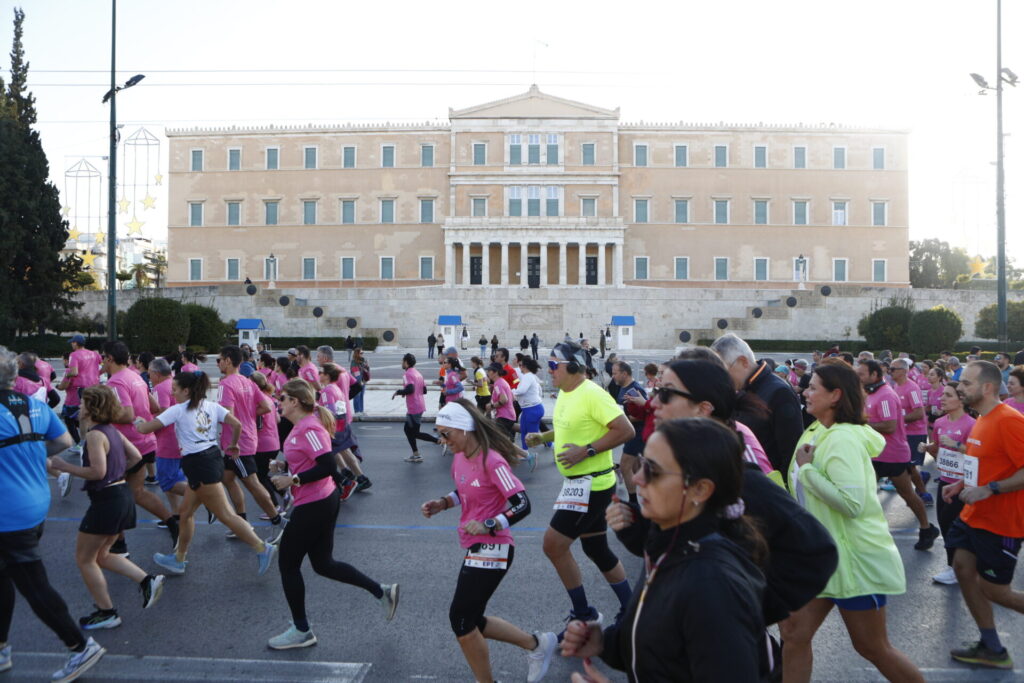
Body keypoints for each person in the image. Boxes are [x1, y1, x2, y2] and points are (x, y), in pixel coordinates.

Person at [562, 418, 768, 683]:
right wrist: (609, 643)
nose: (636, 478)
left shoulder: (712, 583)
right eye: (640, 464)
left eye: (653, 470)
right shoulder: (671, 543)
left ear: (700, 489)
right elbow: (669, 642)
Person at [782, 360, 924, 683]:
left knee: (873, 648)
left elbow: (852, 504)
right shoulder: (820, 429)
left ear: (835, 395)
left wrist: (807, 470)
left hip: (855, 562)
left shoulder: (842, 439)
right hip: (822, 557)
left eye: (813, 387)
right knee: (793, 633)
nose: (805, 391)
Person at [420, 400, 556, 683]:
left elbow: (521, 503)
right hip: (475, 544)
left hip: (495, 546)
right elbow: (465, 488)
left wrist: (490, 524)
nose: (441, 440)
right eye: (439, 433)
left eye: (446, 433)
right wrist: (443, 503)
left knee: (460, 619)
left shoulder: (492, 460)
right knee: (472, 619)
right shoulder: (460, 456)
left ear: (465, 430)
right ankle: (537, 644)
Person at [0, 346, 107, 682]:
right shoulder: (34, 404)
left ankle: (80, 646)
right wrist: (27, 450)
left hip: (8, 513)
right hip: (34, 503)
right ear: (14, 377)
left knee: (33, 586)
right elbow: (63, 442)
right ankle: (2, 647)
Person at [266, 379, 399, 649]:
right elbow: (310, 460)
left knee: (288, 564)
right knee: (323, 564)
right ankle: (381, 591)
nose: (278, 403)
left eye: (282, 399)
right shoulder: (300, 427)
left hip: (315, 503)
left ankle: (302, 630)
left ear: (294, 401)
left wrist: (292, 481)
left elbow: (326, 465)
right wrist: (284, 464)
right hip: (320, 500)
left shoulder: (309, 427)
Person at [524, 341, 635, 633]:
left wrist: (585, 451)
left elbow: (625, 430)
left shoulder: (592, 394)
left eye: (552, 365)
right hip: (579, 484)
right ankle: (632, 608)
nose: (549, 371)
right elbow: (570, 426)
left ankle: (584, 614)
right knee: (597, 548)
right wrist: (545, 436)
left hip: (592, 485)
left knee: (553, 545)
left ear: (572, 367)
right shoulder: (566, 392)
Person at [135, 370, 277, 576]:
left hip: (199, 464)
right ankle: (179, 558)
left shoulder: (178, 410)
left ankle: (262, 548)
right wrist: (234, 444)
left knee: (226, 514)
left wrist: (137, 421)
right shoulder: (211, 406)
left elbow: (145, 429)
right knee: (185, 514)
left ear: (186, 390)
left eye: (175, 389)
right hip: (210, 459)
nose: (172, 393)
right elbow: (236, 423)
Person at [49, 386, 166, 630]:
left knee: (84, 559)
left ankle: (107, 612)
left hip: (107, 501)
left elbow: (97, 472)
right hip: (121, 494)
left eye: (83, 404)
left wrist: (64, 466)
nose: (79, 407)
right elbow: (135, 457)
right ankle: (147, 580)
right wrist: (117, 475)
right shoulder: (112, 431)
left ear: (91, 408)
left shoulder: (95, 435)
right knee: (101, 555)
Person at [942, 361, 1024, 669]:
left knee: (995, 591)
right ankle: (992, 647)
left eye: (965, 383)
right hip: (973, 515)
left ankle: (992, 647)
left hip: (1001, 521)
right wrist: (960, 483)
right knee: (962, 568)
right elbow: (985, 462)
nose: (959, 387)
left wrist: (991, 489)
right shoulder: (983, 418)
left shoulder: (1009, 421)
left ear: (987, 387)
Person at [101, 342, 179, 554]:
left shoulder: (115, 383)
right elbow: (153, 407)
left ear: (109, 358)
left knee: (112, 494)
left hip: (127, 446)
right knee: (137, 493)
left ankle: (119, 544)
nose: (102, 362)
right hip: (145, 441)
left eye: (103, 358)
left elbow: (126, 414)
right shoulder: (136, 376)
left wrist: (100, 415)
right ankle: (172, 522)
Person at [857, 359, 939, 550]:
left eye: (862, 374)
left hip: (891, 454)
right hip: (875, 454)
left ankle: (927, 529)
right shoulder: (871, 393)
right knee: (865, 493)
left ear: (875, 375)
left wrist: (861, 425)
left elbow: (890, 425)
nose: (858, 377)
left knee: (908, 495)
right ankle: (866, 533)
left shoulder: (885, 395)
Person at [711, 333, 804, 479]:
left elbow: (791, 452)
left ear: (743, 362)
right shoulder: (742, 388)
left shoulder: (779, 392)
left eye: (723, 371)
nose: (722, 378)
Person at [216, 345, 285, 539]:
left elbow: (227, 415)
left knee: (253, 483)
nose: (218, 363)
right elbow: (265, 406)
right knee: (227, 478)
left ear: (228, 360)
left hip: (236, 443)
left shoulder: (226, 384)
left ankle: (277, 520)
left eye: (219, 359)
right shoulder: (248, 382)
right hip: (248, 437)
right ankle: (242, 523)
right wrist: (247, 417)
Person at [919, 381, 974, 585]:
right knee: (944, 522)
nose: (942, 398)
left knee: (955, 526)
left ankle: (956, 569)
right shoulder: (940, 423)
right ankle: (957, 566)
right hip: (945, 480)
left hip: (964, 483)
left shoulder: (971, 424)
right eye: (942, 395)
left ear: (961, 401)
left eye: (948, 395)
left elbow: (980, 454)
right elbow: (938, 449)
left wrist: (959, 446)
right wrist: (928, 447)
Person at [317, 364, 369, 496]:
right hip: (342, 423)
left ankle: (347, 480)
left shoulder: (327, 391)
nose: (318, 375)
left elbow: (330, 411)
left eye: (321, 372)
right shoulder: (336, 388)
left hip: (333, 427)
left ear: (327, 376)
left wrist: (317, 414)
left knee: (330, 454)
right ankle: (356, 476)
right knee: (343, 451)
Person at [147, 358, 188, 517]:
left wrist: (145, 423)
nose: (149, 377)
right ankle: (176, 513)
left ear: (157, 374)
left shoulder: (160, 388)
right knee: (175, 479)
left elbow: (162, 413)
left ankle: (206, 497)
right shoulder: (175, 383)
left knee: (167, 482)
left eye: (150, 373)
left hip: (167, 440)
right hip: (179, 438)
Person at [890, 358, 933, 505]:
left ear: (903, 371)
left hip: (915, 432)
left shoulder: (912, 388)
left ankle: (924, 494)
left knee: (909, 465)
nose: (890, 372)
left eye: (893, 369)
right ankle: (922, 476)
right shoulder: (896, 386)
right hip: (903, 433)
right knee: (908, 465)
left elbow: (919, 413)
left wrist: (897, 422)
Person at [611, 361, 647, 505]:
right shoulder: (622, 387)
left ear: (624, 374)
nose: (612, 376)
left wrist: (621, 420)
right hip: (630, 432)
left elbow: (642, 414)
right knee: (634, 467)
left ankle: (634, 503)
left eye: (615, 373)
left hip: (637, 433)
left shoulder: (636, 390)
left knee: (626, 466)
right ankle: (645, 497)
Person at [393, 354, 438, 464]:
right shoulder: (418, 373)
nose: (401, 363)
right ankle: (416, 454)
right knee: (409, 431)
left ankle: (438, 441)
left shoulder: (407, 373)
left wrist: (399, 392)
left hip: (414, 407)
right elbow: (424, 390)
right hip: (419, 405)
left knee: (413, 433)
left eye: (402, 361)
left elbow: (410, 389)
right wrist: (408, 392)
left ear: (406, 362)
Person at [249, 371, 283, 510]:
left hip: (263, 444)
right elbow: (278, 420)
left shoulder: (258, 402)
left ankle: (275, 506)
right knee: (262, 475)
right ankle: (284, 494)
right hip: (273, 442)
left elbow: (257, 425)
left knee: (259, 477)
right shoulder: (268, 398)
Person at [61, 334, 102, 445]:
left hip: (84, 388)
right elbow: (102, 366)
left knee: (84, 416)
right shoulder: (94, 354)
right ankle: (97, 438)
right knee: (94, 414)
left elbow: (74, 372)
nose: (71, 344)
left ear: (75, 343)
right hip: (96, 387)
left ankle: (83, 443)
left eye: (72, 342)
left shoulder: (74, 355)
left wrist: (67, 375)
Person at [513, 357, 544, 472]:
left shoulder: (528, 376)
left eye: (520, 365)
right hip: (529, 409)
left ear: (525, 366)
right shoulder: (529, 376)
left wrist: (511, 392)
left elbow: (521, 390)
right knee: (524, 431)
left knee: (533, 437)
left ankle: (553, 448)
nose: (519, 367)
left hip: (533, 409)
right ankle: (525, 453)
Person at [485, 363, 516, 440]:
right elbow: (513, 398)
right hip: (507, 415)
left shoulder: (498, 383)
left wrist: (491, 406)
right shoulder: (501, 382)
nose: (487, 372)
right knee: (505, 441)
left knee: (500, 441)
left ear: (495, 372)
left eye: (489, 370)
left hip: (504, 417)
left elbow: (504, 400)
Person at [350, 348, 370, 415]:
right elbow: (355, 373)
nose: (362, 354)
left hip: (363, 381)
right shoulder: (354, 362)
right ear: (357, 354)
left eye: (362, 353)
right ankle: (357, 411)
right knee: (357, 396)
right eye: (361, 353)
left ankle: (361, 410)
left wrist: (367, 366)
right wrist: (359, 381)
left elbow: (367, 370)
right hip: (357, 382)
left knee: (361, 396)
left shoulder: (363, 360)